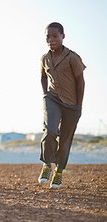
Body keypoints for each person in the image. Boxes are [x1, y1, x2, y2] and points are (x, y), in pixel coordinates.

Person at [38, 22, 85, 189]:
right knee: (50, 130)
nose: (51, 39)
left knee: (65, 140)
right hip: (52, 99)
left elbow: (80, 81)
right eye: (48, 37)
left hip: (72, 104)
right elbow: (43, 76)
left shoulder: (73, 57)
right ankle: (46, 164)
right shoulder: (44, 58)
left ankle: (59, 171)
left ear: (62, 37)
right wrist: (45, 94)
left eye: (55, 36)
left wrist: (79, 106)